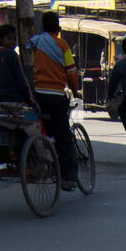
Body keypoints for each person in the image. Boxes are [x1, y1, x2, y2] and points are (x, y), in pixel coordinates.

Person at [29, 12, 80, 190]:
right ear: (58, 28)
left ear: (42, 27)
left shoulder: (33, 43)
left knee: (42, 130)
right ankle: (69, 177)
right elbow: (71, 73)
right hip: (55, 95)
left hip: (36, 95)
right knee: (63, 137)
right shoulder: (62, 45)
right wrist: (75, 91)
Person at [0, 25, 33, 106]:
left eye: (14, 39)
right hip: (15, 99)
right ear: (0, 39)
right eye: (9, 38)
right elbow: (21, 79)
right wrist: (30, 100)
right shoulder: (11, 54)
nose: (13, 42)